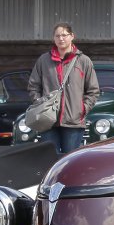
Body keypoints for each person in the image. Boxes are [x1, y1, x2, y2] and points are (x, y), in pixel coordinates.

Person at [28, 23, 99, 154]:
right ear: (53, 38)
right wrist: (39, 103)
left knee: (69, 159)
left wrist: (82, 109)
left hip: (73, 121)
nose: (61, 38)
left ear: (72, 36)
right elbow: (33, 86)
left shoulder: (83, 61)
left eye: (64, 35)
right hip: (47, 120)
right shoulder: (44, 60)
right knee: (51, 159)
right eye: (57, 36)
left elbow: (93, 91)